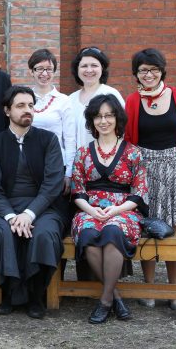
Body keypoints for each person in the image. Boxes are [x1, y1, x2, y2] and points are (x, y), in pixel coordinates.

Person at [0, 85, 67, 319]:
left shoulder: (48, 140)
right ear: (7, 111)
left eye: (30, 105)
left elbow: (52, 185)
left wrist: (29, 214)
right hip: (5, 208)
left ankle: (36, 295)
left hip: (43, 207)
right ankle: (9, 293)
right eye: (20, 106)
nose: (27, 110)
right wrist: (11, 217)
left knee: (45, 234)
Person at [125, 48, 176, 310]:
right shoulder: (132, 101)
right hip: (145, 170)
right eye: (143, 70)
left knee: (173, 229)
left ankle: (173, 291)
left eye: (154, 69)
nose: (148, 74)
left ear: (162, 71)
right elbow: (128, 140)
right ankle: (149, 289)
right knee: (147, 227)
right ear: (136, 73)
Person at [71, 94, 148, 324]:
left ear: (117, 119)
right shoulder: (83, 152)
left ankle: (105, 302)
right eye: (98, 116)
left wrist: (115, 211)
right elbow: (77, 190)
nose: (103, 121)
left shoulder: (133, 152)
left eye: (109, 116)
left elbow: (139, 193)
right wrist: (91, 210)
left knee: (113, 231)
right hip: (89, 209)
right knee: (88, 233)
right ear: (92, 121)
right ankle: (115, 297)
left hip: (123, 210)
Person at [29, 49, 76, 195]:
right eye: (39, 69)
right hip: (28, 164)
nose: (44, 73)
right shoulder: (24, 98)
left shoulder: (63, 101)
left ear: (54, 72)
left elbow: (69, 139)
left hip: (56, 164)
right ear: (31, 71)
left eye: (49, 69)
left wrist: (69, 173)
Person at [68, 47, 125, 148]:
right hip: (75, 157)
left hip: (105, 156)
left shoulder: (111, 94)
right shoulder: (70, 99)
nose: (89, 70)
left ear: (102, 68)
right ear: (77, 69)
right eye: (84, 66)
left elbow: (122, 128)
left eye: (94, 65)